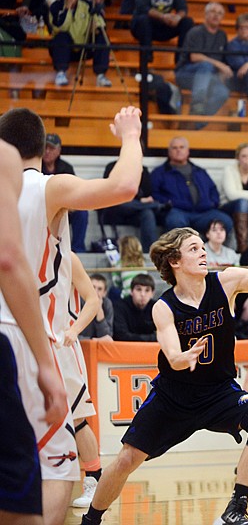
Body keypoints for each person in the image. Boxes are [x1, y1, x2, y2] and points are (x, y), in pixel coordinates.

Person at [81, 210, 248, 525]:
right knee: (126, 460)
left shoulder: (226, 282)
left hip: (218, 392)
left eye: (203, 246)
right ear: (175, 261)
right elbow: (171, 351)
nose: (203, 252)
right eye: (194, 248)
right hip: (173, 396)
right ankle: (91, 519)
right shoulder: (164, 306)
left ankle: (236, 508)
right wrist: (181, 358)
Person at [0, 105, 142, 525]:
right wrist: (130, 135)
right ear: (44, 150)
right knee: (58, 466)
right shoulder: (47, 187)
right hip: (27, 335)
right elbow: (124, 185)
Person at [0, 138, 67, 525]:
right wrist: (45, 362)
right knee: (17, 507)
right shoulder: (5, 159)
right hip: (11, 332)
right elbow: (8, 260)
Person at [63, 253, 103, 509]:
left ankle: (94, 480)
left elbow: (93, 300)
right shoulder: (21, 248)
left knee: (78, 417)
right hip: (28, 340)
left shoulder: (68, 256)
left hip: (62, 343)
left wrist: (74, 330)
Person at [151, 136, 234, 234]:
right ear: (169, 152)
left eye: (182, 147)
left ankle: (208, 247)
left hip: (204, 212)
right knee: (175, 222)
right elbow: (154, 194)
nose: (178, 150)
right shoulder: (159, 173)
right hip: (177, 212)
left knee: (226, 221)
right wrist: (169, 203)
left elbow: (213, 190)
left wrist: (212, 203)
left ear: (188, 151)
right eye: (174, 148)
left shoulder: (199, 171)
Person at [48, 0, 113, 89]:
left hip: (84, 49)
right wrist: (68, 8)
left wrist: (96, 26)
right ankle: (61, 73)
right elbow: (59, 27)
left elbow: (101, 25)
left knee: (102, 36)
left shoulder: (88, 5)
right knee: (61, 36)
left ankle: (101, 75)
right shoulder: (55, 6)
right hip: (64, 49)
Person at [174, 2, 232, 117]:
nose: (216, 16)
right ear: (205, 14)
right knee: (206, 66)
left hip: (209, 77)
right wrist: (219, 65)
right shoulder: (196, 32)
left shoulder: (222, 35)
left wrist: (223, 71)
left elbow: (223, 60)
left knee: (223, 92)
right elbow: (195, 57)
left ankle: (198, 122)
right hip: (186, 74)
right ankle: (197, 104)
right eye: (213, 12)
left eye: (220, 13)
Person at [41, 132, 90, 252]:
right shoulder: (36, 166)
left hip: (64, 207)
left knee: (82, 212)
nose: (47, 151)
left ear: (58, 150)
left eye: (51, 148)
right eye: (45, 147)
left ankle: (77, 248)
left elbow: (75, 191)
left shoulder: (66, 168)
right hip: (44, 206)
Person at [101, 160, 164, 252]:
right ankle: (156, 206)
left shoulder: (143, 170)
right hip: (117, 208)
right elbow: (110, 190)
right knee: (124, 203)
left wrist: (139, 200)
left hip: (136, 211)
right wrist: (138, 199)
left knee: (148, 214)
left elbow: (147, 192)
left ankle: (150, 251)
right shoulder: (112, 167)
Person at [112, 273, 157, 341]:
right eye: (139, 289)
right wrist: (151, 338)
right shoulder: (119, 306)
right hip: (125, 349)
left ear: (152, 294)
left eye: (147, 290)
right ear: (131, 291)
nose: (142, 294)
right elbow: (121, 335)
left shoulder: (157, 307)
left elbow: (164, 335)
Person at [80, 273, 115, 340]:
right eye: (93, 287)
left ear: (104, 293)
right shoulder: (78, 301)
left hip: (98, 347)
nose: (95, 292)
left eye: (99, 289)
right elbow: (72, 335)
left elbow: (107, 337)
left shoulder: (107, 304)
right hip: (80, 346)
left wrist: (99, 310)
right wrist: (93, 340)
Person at [112, 234, 146, 299]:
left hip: (128, 295)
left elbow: (116, 283)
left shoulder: (120, 263)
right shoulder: (142, 262)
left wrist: (113, 270)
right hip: (143, 293)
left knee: (113, 290)